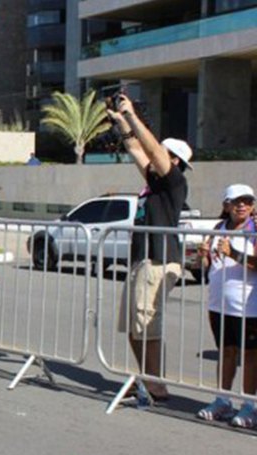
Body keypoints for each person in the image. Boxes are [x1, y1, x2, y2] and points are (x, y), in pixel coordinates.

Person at [107, 95, 191, 402]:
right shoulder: (152, 182)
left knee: (147, 324)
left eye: (165, 154)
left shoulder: (174, 182)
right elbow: (135, 148)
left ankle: (156, 384)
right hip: (140, 258)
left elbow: (152, 150)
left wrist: (133, 115)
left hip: (159, 258)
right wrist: (121, 122)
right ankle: (146, 378)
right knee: (133, 327)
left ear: (175, 160)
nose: (154, 156)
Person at [196, 184, 257, 425]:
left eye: (247, 201)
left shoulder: (254, 229)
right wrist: (203, 256)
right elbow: (206, 265)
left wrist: (234, 254)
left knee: (251, 356)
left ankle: (249, 405)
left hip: (249, 306)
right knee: (227, 352)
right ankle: (223, 399)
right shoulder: (218, 228)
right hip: (218, 305)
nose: (242, 205)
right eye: (236, 201)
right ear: (226, 205)